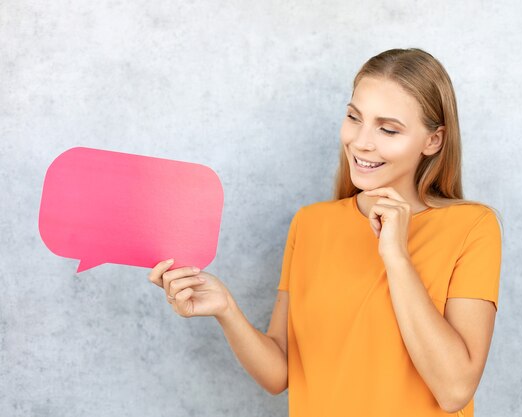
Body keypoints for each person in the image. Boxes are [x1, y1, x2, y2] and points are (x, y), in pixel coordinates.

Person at [147, 47, 503, 417]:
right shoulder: (311, 224)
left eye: (388, 128)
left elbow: (454, 389)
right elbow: (280, 373)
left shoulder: (472, 228)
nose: (361, 141)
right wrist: (226, 309)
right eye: (354, 117)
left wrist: (396, 256)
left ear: (433, 140)